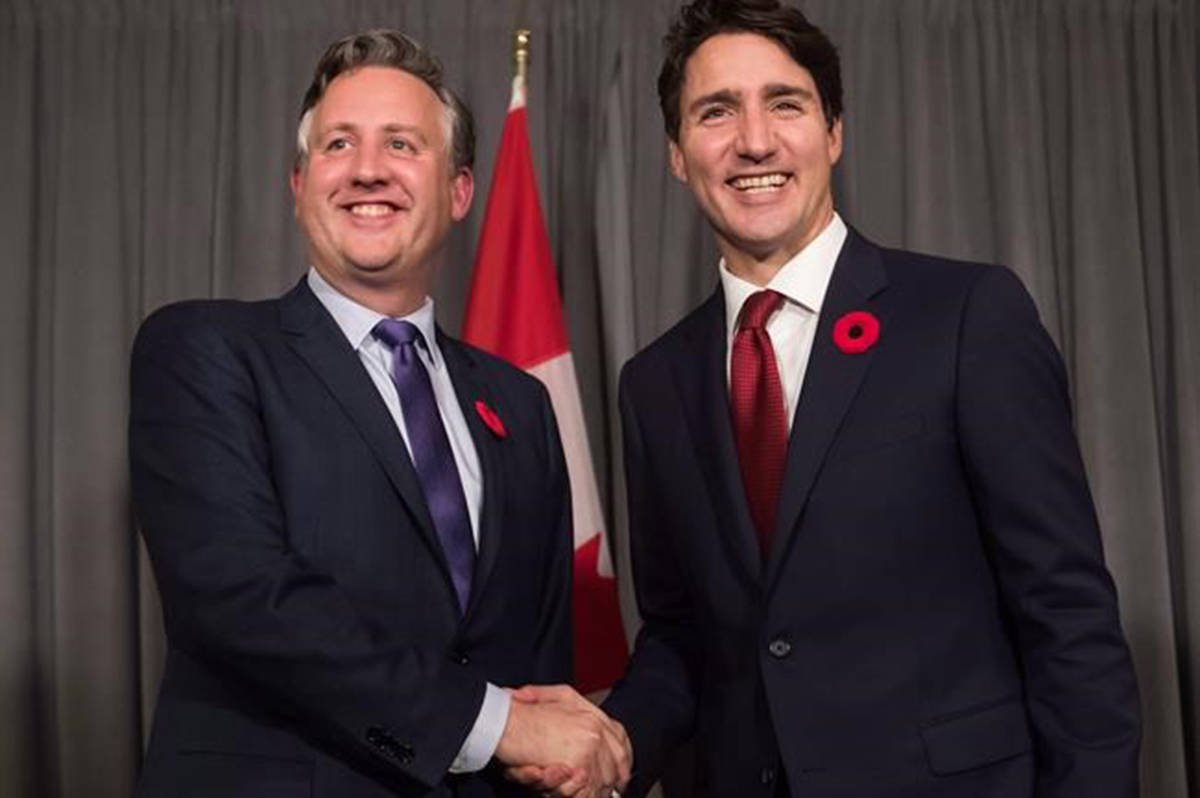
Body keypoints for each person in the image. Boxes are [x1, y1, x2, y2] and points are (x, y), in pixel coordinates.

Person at [523, 1, 1142, 796]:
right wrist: (613, 741)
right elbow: (681, 635)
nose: (754, 140)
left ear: (833, 133)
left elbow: (1068, 614)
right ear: (678, 154)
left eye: (785, 103)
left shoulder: (964, 317)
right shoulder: (654, 383)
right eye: (717, 112)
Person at [130, 29, 629, 798]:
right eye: (338, 145)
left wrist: (557, 750)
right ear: (298, 185)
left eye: (402, 144)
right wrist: (494, 724)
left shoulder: (520, 404)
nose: (368, 170)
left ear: (459, 192)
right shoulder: (204, 350)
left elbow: (541, 663)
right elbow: (240, 598)